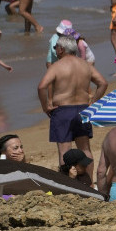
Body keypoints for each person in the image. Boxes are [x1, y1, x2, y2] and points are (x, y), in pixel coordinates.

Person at [37, 36, 108, 168]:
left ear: (61, 49)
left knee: (65, 151)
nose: (55, 50)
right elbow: (103, 83)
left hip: (63, 111)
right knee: (85, 149)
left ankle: (68, 184)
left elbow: (42, 87)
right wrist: (93, 103)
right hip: (83, 109)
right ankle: (89, 183)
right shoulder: (85, 65)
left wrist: (45, 107)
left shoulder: (56, 66)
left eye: (55, 48)